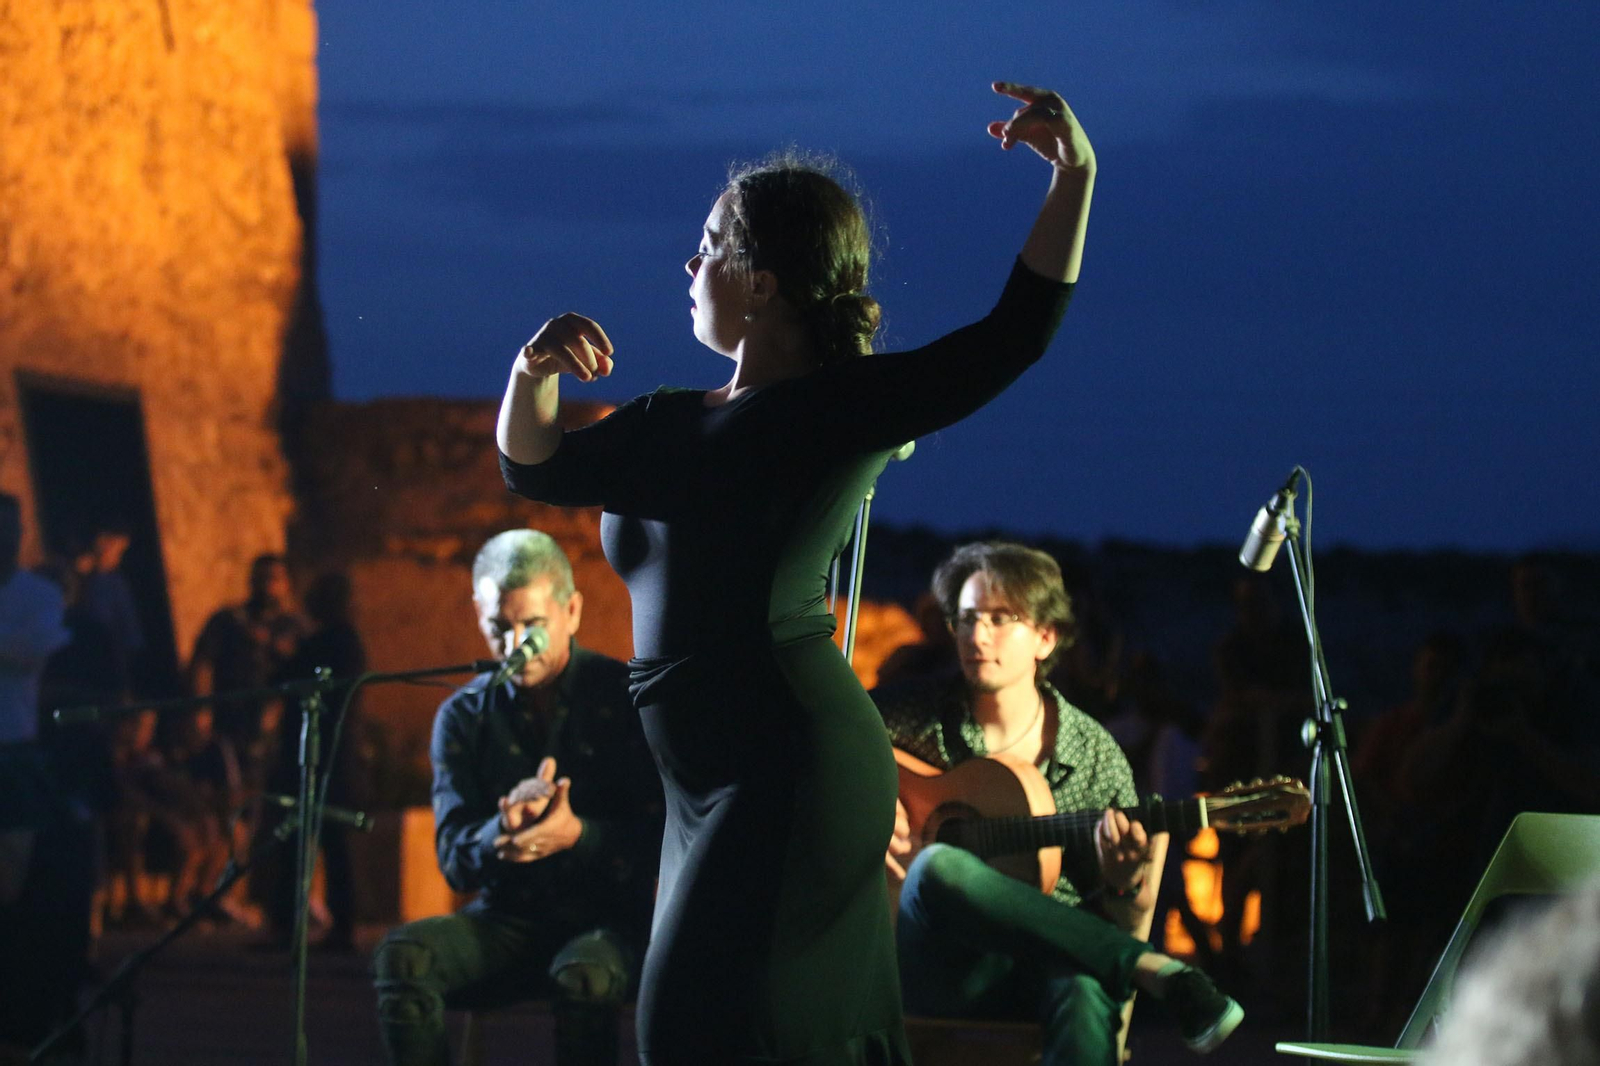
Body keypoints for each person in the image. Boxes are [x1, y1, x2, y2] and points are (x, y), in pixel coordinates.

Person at [497, 80, 1093, 1065]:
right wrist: (531, 373)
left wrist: (1074, 176)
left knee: (698, 1030)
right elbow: (533, 465)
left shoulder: (834, 410)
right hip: (699, 782)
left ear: (761, 280)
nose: (688, 265)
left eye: (708, 245)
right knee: (741, 1036)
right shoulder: (665, 420)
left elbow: (1011, 339)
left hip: (789, 765)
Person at [874, 542, 1242, 1064]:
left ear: (1045, 637)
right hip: (930, 966)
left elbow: (1120, 906)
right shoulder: (905, 717)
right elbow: (810, 747)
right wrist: (864, 800)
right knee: (935, 864)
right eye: (967, 618)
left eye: (1001, 619)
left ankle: (1139, 969)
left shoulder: (1093, 754)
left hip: (1037, 974)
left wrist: (1123, 879)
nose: (977, 636)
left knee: (1084, 985)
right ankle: (1156, 970)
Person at [372, 530, 661, 1066]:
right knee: (403, 959)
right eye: (498, 628)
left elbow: (667, 840)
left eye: (533, 625)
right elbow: (455, 861)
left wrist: (579, 835)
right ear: (478, 615)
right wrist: (496, 836)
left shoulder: (624, 697)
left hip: (608, 922)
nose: (513, 645)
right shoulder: (463, 715)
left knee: (585, 975)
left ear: (571, 611)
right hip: (509, 921)